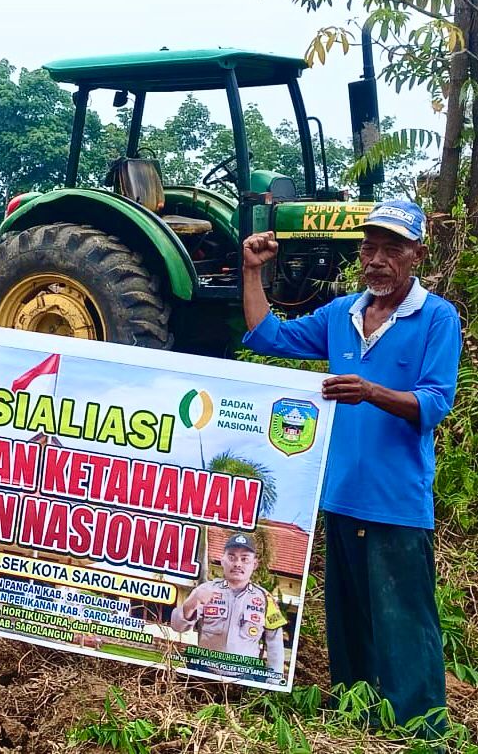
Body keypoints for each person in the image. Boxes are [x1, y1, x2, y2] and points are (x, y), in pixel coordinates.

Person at [241, 199, 461, 733]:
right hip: (339, 496)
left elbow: (433, 403)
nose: (378, 259)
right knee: (349, 624)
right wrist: (252, 271)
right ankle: (359, 723)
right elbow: (269, 335)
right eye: (370, 247)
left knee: (405, 623)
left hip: (397, 501)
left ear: (417, 256)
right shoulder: (340, 315)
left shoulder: (437, 318)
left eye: (392, 248)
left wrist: (371, 391)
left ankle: (423, 731)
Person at [170, 532, 286, 679]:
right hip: (203, 673)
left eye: (245, 559)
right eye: (232, 557)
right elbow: (177, 626)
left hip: (245, 677)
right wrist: (191, 604)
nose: (237, 563)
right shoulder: (205, 590)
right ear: (222, 560)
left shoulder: (265, 598)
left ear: (254, 564)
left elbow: (275, 642)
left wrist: (274, 680)